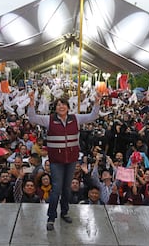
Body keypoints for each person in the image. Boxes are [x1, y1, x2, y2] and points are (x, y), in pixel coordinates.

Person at [28, 92, 101, 231]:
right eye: (58, 105)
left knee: (67, 189)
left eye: (63, 104)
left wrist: (97, 103)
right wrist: (31, 103)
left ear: (68, 107)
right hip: (56, 161)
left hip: (71, 160)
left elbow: (93, 116)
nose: (61, 106)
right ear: (55, 108)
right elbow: (32, 117)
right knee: (56, 189)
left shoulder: (76, 118)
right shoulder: (49, 120)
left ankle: (65, 212)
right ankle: (51, 217)